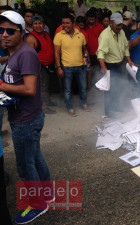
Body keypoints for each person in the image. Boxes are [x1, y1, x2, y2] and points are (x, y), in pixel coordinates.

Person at [0, 10, 53, 224]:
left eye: (10, 31)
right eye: (1, 30)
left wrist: (2, 85)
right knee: (36, 157)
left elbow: (30, 89)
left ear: (22, 32)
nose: (4, 34)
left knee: (25, 165)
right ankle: (48, 194)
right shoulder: (14, 52)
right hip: (23, 115)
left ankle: (38, 205)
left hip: (26, 120)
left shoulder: (26, 53)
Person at [96, 12, 134, 117]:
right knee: (109, 89)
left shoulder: (121, 32)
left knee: (118, 87)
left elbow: (126, 47)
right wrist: (103, 67)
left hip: (119, 65)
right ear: (111, 23)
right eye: (118, 25)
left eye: (121, 24)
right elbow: (100, 52)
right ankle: (108, 111)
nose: (120, 27)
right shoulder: (105, 35)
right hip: (108, 65)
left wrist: (129, 60)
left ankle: (116, 107)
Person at [54, 13, 90, 116]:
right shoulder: (59, 36)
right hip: (66, 67)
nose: (65, 25)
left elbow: (85, 50)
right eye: (63, 23)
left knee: (83, 87)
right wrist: (59, 67)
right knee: (67, 89)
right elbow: (56, 53)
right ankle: (70, 107)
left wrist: (87, 63)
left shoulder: (81, 35)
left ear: (73, 23)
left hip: (80, 67)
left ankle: (83, 104)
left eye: (67, 23)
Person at [26, 15, 57, 114]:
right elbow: (29, 57)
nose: (38, 26)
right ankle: (43, 107)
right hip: (40, 67)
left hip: (49, 66)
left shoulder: (46, 34)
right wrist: (36, 70)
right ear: (32, 25)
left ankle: (47, 101)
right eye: (35, 23)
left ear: (44, 25)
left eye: (40, 23)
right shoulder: (31, 38)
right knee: (42, 88)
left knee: (48, 86)